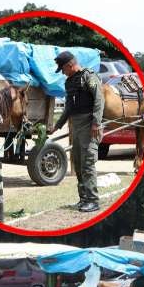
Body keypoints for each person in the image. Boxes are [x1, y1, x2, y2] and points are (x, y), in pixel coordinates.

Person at [49, 51, 105, 213]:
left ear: (70, 65)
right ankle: (84, 199)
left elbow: (99, 100)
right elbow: (68, 107)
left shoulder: (89, 77)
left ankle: (93, 200)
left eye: (63, 69)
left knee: (87, 163)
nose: (63, 72)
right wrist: (57, 126)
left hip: (89, 125)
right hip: (77, 126)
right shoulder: (69, 82)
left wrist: (96, 123)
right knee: (78, 164)